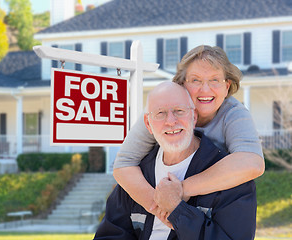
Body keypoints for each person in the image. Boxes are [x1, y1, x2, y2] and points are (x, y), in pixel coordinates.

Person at [112, 45, 264, 222]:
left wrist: (181, 190)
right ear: (182, 84)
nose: (205, 90)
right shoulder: (160, 112)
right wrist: (160, 208)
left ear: (227, 86)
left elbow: (252, 163)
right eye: (195, 80)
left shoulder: (234, 113)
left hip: (213, 208)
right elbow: (123, 164)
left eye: (215, 80)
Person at [94, 82, 257, 240]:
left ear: (194, 117)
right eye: (160, 113)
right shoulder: (137, 177)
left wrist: (178, 212)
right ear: (148, 124)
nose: (171, 121)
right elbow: (110, 234)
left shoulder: (231, 179)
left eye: (179, 111)